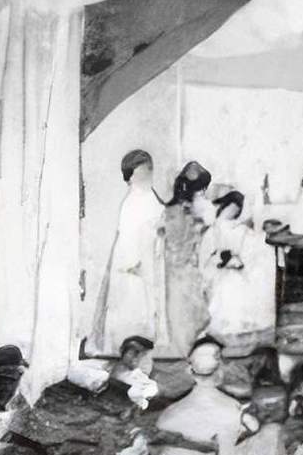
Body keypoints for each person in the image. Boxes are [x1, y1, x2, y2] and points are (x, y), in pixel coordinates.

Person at [89, 150, 163, 355]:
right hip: (133, 262)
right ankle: (126, 347)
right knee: (132, 303)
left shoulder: (151, 198)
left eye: (149, 169)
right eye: (141, 171)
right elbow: (126, 238)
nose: (147, 174)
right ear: (130, 175)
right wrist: (132, 263)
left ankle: (146, 346)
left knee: (149, 306)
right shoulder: (132, 202)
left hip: (151, 257)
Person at [200, 190, 273, 346]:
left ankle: (238, 325)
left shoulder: (242, 230)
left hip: (236, 270)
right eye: (231, 207)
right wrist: (219, 261)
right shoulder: (213, 230)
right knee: (225, 288)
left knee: (237, 285)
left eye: (237, 208)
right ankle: (225, 326)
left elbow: (253, 248)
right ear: (224, 206)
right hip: (218, 271)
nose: (233, 211)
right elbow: (206, 255)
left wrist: (237, 261)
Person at [158, 162, 214, 357]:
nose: (202, 194)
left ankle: (187, 350)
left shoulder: (182, 211)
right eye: (200, 190)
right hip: (178, 268)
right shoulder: (177, 213)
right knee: (182, 311)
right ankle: (183, 351)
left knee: (190, 310)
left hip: (185, 267)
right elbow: (175, 241)